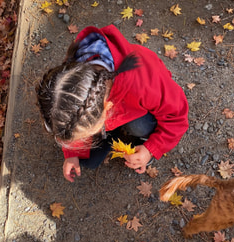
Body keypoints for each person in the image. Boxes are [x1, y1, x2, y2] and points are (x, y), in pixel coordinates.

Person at [37, 24, 189, 182]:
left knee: (139, 127)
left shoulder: (144, 86)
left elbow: (177, 116)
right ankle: (110, 134)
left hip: (138, 107)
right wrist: (72, 153)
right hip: (109, 106)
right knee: (89, 161)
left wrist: (150, 149)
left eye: (88, 131)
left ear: (108, 110)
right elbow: (71, 113)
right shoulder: (70, 80)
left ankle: (139, 136)